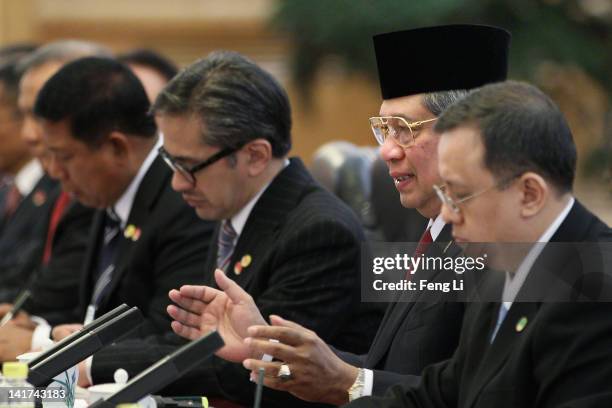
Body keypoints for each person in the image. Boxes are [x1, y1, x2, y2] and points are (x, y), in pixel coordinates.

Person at [168, 24, 510, 406]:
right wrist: (266, 345)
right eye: (384, 130)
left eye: (404, 130)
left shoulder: (505, 249)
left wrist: (348, 381)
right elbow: (391, 370)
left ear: (467, 135)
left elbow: (470, 394)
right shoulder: (434, 235)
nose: (387, 152)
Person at [345, 80, 612, 408]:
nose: (446, 213)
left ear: (529, 194)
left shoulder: (596, 291)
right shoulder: (504, 265)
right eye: (445, 195)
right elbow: (444, 394)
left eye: (459, 195)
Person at [33, 56, 215, 382]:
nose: (54, 171)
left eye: (64, 157)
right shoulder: (104, 192)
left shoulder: (185, 203)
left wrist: (51, 347)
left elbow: (174, 337)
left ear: (117, 148)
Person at [0, 41, 109, 362]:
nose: (32, 134)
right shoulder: (49, 186)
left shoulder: (94, 189)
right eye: (26, 115)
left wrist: (40, 340)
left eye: (43, 114)